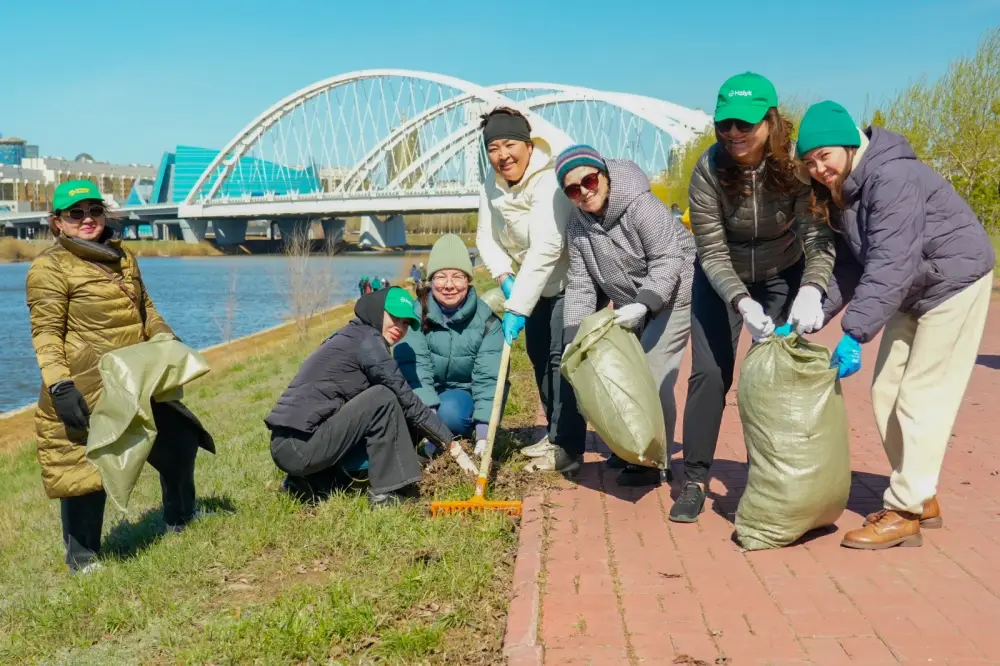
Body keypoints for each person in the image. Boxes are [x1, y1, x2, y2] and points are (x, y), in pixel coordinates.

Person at [792, 101, 995, 549]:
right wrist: (816, 313)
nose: (819, 169)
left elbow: (889, 261)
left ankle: (904, 511)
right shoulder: (845, 188)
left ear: (848, 144)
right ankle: (920, 493)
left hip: (955, 280)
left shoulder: (892, 177)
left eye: (824, 155)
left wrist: (855, 332)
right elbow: (851, 264)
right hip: (912, 284)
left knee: (922, 396)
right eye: (808, 162)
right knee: (885, 390)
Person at [26, 180, 214, 574]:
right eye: (75, 214)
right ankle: (83, 559)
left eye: (94, 210)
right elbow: (46, 333)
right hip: (87, 386)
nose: (87, 219)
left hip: (137, 378)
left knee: (180, 441)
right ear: (57, 223)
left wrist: (166, 340)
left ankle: (180, 518)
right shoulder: (49, 267)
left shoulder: (123, 256)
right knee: (83, 474)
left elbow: (146, 308)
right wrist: (61, 385)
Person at [673, 72, 836, 523]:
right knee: (709, 373)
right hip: (720, 280)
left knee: (778, 377)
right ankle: (695, 478)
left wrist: (811, 288)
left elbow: (818, 238)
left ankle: (778, 477)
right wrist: (742, 303)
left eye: (745, 124)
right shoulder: (707, 169)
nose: (734, 134)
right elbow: (710, 248)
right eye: (725, 124)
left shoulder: (798, 167)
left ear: (770, 121)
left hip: (783, 274)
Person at [557, 145, 696, 486]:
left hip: (676, 292)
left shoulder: (640, 204)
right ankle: (635, 445)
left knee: (652, 370)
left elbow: (668, 258)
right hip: (630, 303)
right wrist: (572, 337)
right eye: (573, 189)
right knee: (619, 370)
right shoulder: (577, 227)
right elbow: (580, 285)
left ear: (603, 174)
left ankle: (655, 458)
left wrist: (646, 302)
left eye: (589, 180)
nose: (585, 192)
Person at [265, 286, 455, 507]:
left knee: (384, 403)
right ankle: (386, 495)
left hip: (290, 444)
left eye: (405, 323)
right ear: (377, 310)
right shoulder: (369, 342)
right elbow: (405, 398)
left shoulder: (352, 336)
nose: (400, 327)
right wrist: (451, 445)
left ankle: (308, 484)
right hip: (298, 445)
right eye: (394, 317)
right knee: (382, 397)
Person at [474, 106, 587, 474]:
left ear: (528, 144)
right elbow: (485, 237)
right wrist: (505, 276)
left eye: (510, 145)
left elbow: (548, 248)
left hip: (569, 278)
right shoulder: (491, 182)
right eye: (493, 148)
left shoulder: (548, 179)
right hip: (528, 281)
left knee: (561, 359)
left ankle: (569, 447)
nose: (502, 155)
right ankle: (553, 434)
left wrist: (517, 305)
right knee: (539, 356)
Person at [395, 234, 504, 456]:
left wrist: (485, 434)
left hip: (463, 395)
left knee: (451, 412)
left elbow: (488, 379)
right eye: (441, 277)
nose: (449, 285)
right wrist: (429, 423)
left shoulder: (488, 322)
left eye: (458, 277)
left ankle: (459, 429)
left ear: (468, 280)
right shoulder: (414, 317)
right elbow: (416, 371)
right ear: (431, 281)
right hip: (421, 395)